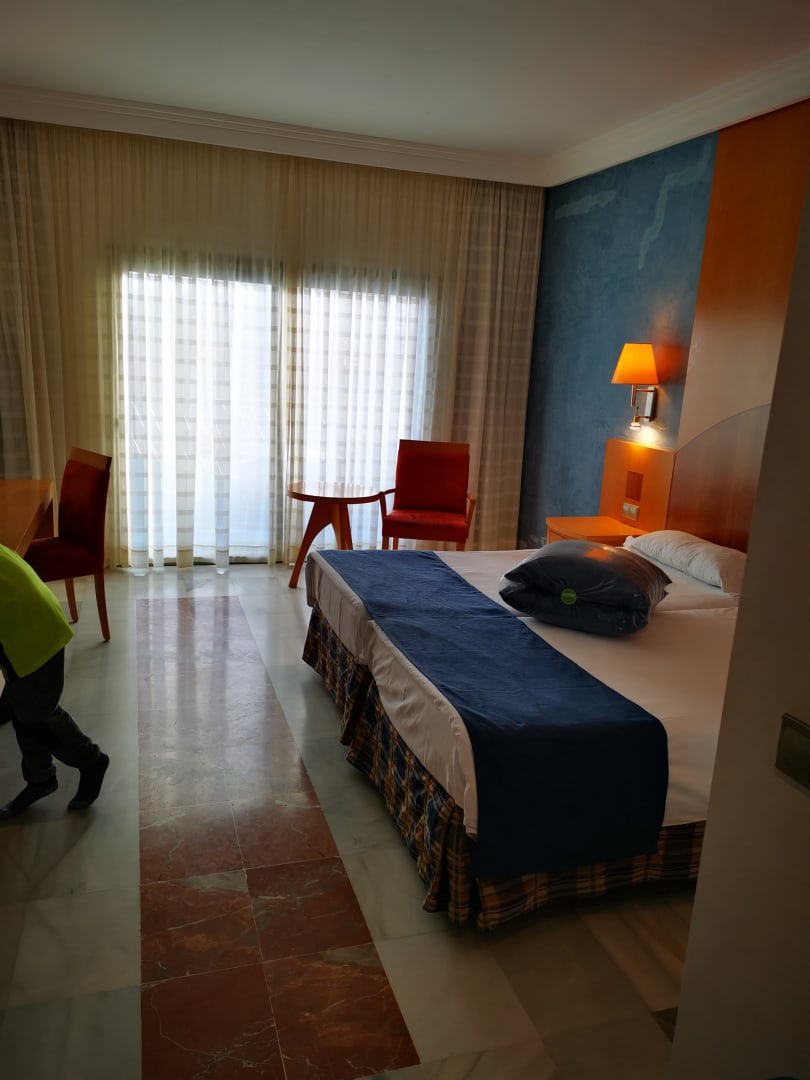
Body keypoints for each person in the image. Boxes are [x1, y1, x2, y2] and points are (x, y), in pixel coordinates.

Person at [0, 542, 109, 819]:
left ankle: (91, 761)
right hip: (23, 625)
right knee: (21, 709)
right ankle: (41, 779)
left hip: (34, 635)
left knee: (38, 717)